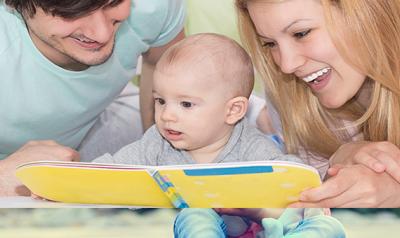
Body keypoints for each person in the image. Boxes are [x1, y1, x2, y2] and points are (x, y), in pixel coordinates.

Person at [90, 33, 311, 237]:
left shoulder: (252, 148)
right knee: (195, 215)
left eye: (186, 104)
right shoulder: (157, 142)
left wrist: (264, 207)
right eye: (160, 101)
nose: (167, 115)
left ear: (232, 111)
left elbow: (294, 180)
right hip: (187, 227)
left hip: (249, 230)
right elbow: (112, 170)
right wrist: (68, 181)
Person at [0, 0, 185, 196]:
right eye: (73, 12)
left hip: (95, 125)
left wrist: (163, 156)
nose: (102, 33)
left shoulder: (152, 5)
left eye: (115, 3)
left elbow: (164, 66)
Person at [235, 0, 400, 207]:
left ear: (368, 11)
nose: (287, 65)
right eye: (270, 43)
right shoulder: (291, 96)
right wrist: (339, 160)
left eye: (301, 33)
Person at [174, 208, 345, 238]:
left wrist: (259, 212)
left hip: (288, 229)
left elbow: (314, 218)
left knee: (330, 226)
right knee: (193, 213)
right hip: (226, 227)